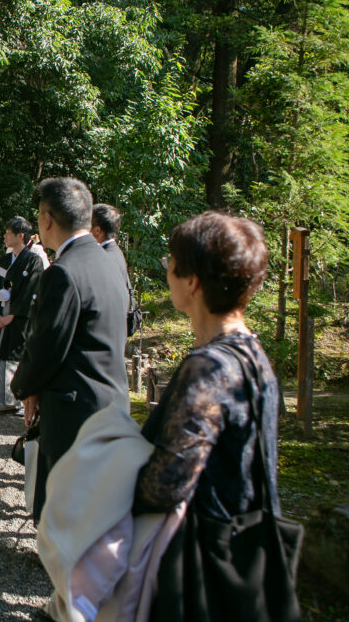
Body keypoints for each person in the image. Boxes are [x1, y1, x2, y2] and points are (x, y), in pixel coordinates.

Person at [134, 211, 287, 620]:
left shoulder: (209, 369)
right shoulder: (252, 353)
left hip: (202, 561)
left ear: (192, 281)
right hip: (245, 548)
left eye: (171, 261)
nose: (167, 270)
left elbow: (165, 484)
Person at [10, 178, 129, 521]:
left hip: (75, 408)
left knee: (68, 511)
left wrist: (24, 387)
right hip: (110, 400)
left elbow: (47, 346)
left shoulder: (63, 272)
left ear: (47, 219)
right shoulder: (108, 260)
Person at [0, 216, 45, 413]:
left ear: (20, 235)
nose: (5, 236)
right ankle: (5, 399)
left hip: (21, 318)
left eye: (8, 233)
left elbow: (30, 291)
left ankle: (22, 400)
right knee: (1, 353)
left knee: (18, 355)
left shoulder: (34, 261)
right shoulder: (5, 259)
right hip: (2, 314)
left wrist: (11, 316)